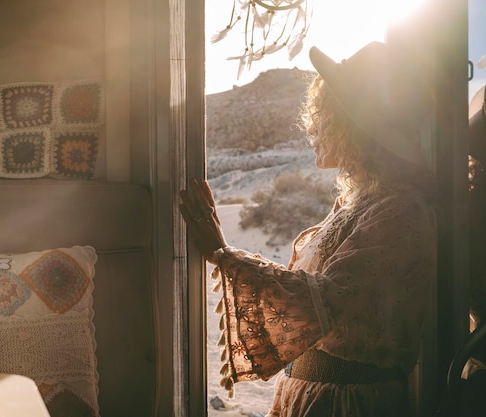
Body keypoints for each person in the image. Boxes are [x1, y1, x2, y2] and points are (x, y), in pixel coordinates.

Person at [180, 41, 438, 417]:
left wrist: (224, 254)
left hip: (345, 406)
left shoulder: (400, 210)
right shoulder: (362, 203)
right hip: (315, 397)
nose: (313, 125)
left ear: (355, 125)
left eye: (326, 114)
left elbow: (323, 301)